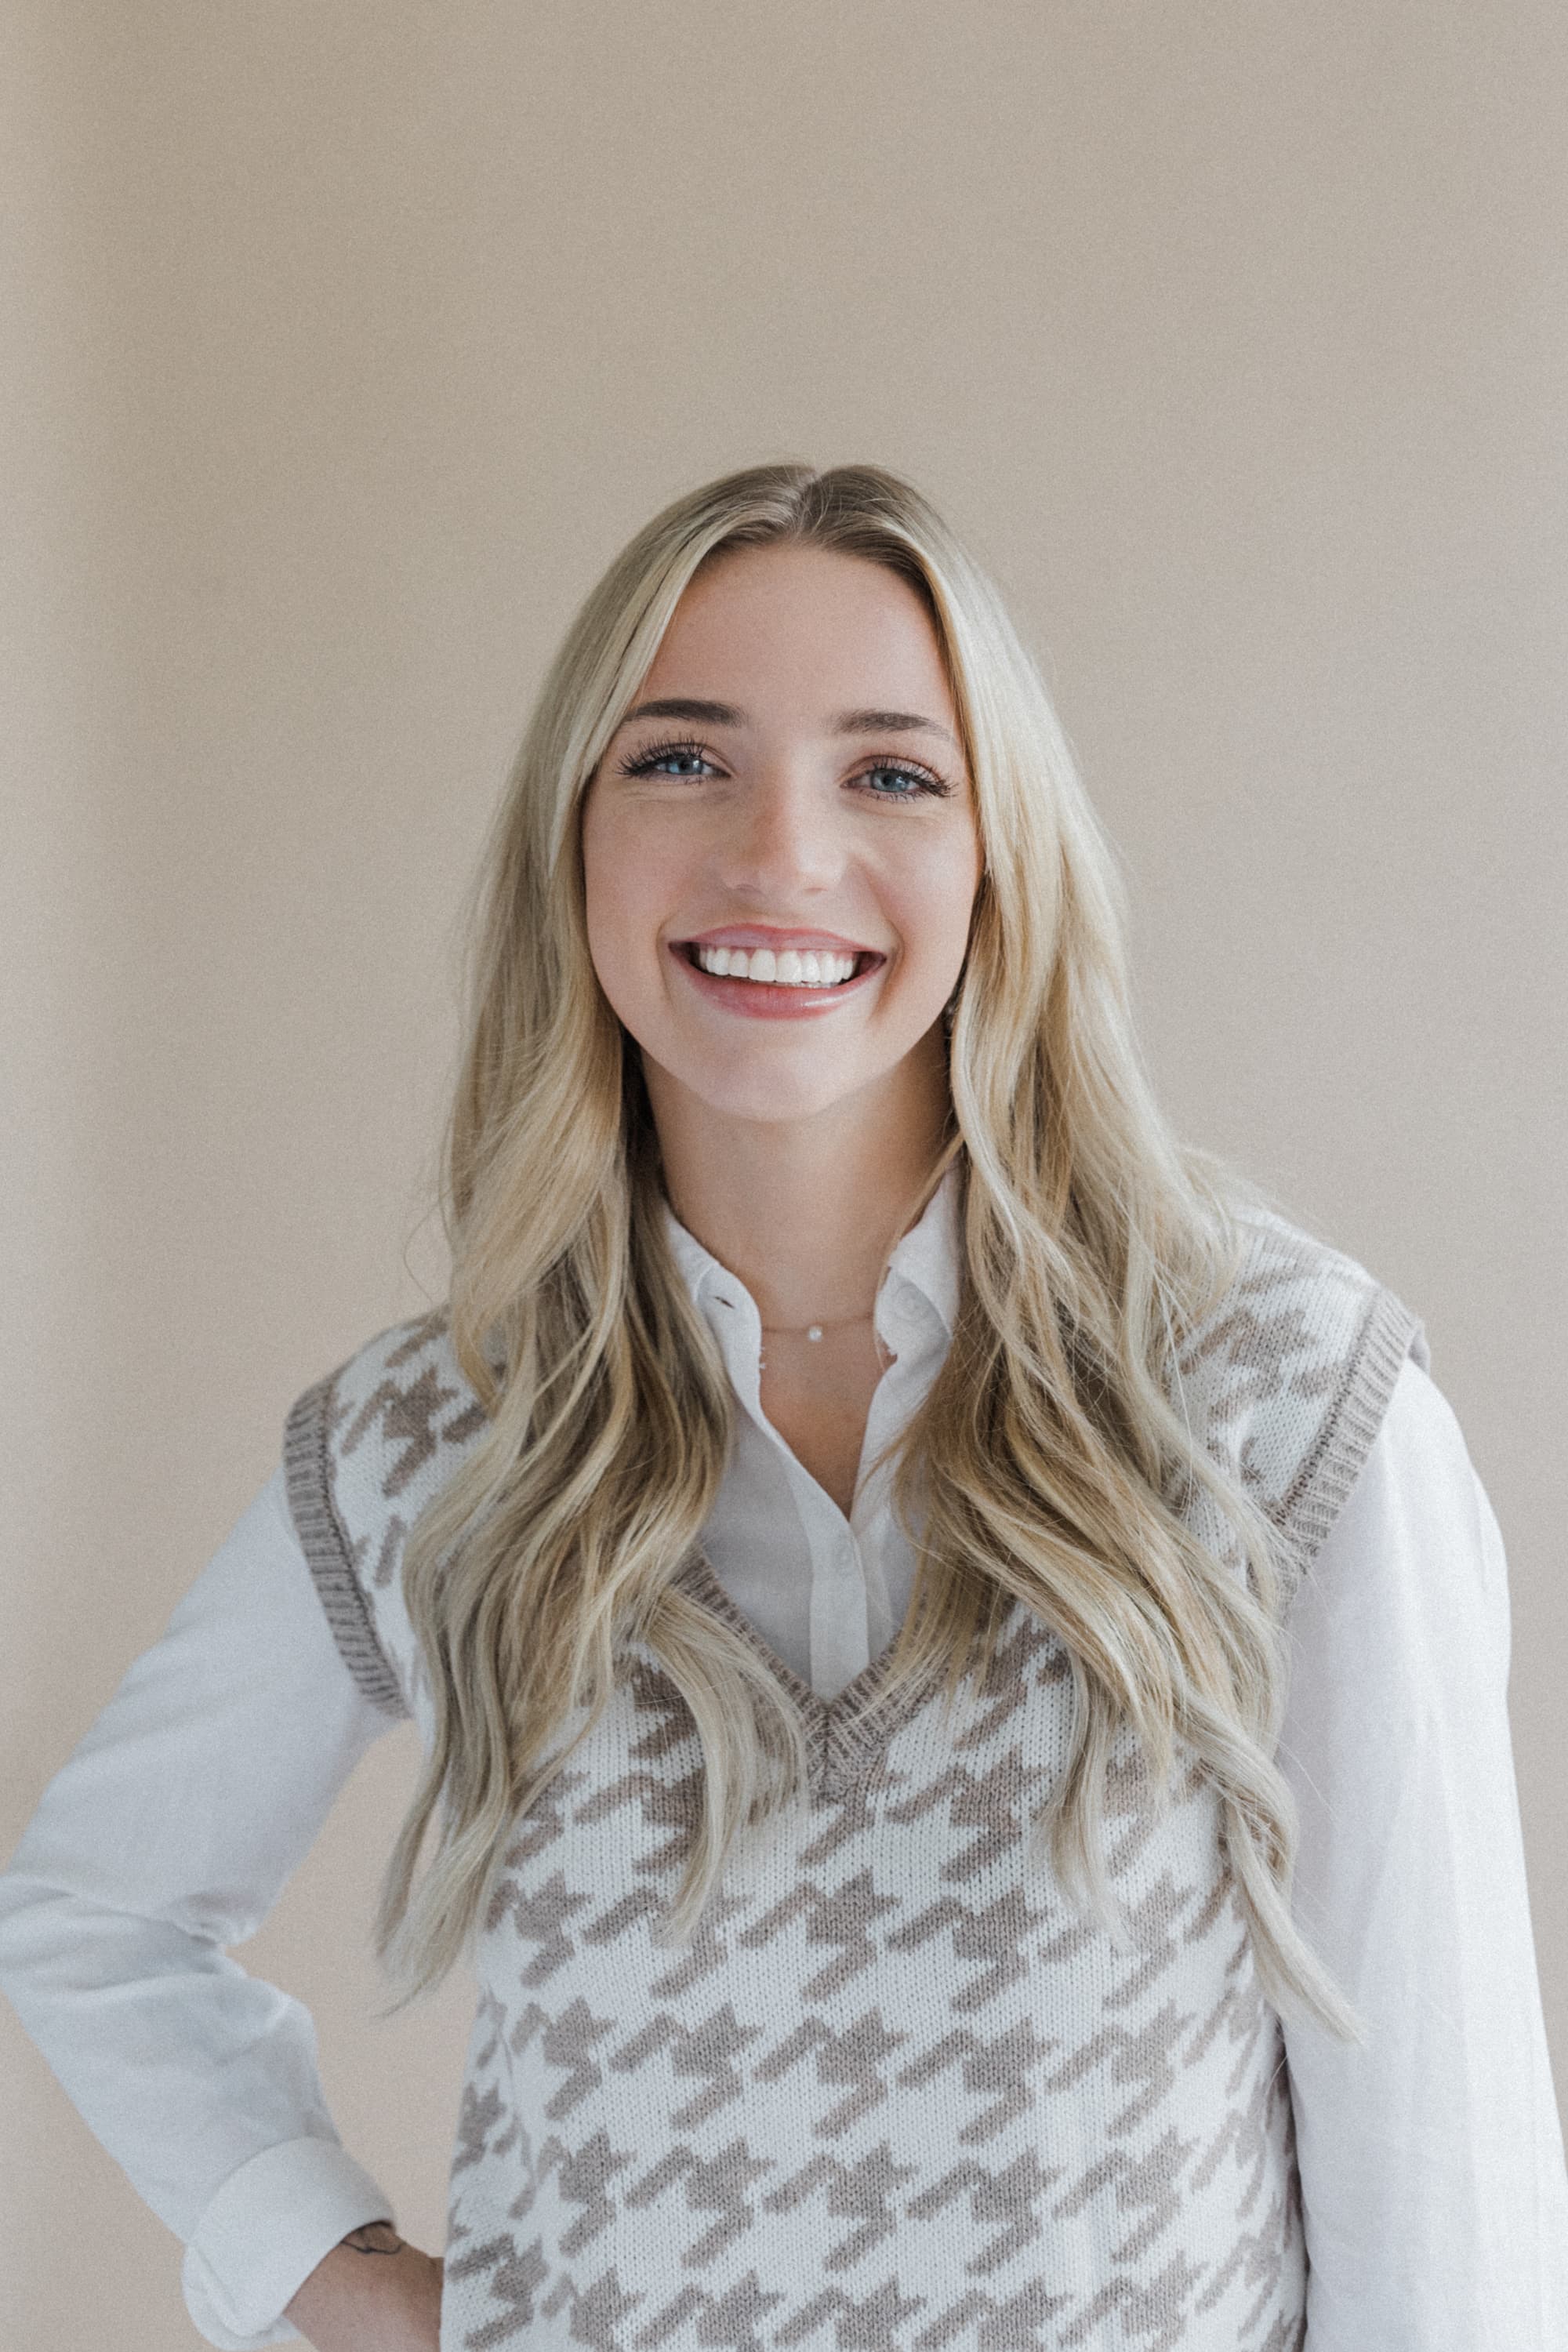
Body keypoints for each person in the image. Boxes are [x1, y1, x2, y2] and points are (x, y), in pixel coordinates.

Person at [2, 462, 1564, 2352]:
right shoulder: (443, 1440)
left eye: (891, 773)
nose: (780, 857)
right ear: (571, 836)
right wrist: (347, 2290)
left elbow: (1447, 2200)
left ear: (1004, 857)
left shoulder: (1281, 1403)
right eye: (681, 760)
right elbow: (93, 1915)